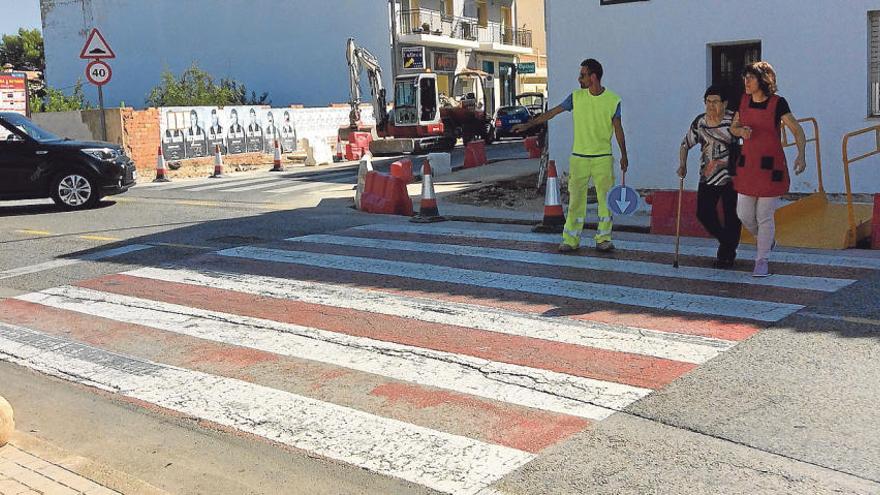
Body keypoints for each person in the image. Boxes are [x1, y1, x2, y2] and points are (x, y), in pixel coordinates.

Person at [514, 58, 629, 253]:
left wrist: (624, 155)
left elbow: (618, 129)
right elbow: (553, 113)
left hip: (602, 157)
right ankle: (571, 239)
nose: (579, 78)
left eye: (582, 75)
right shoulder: (576, 97)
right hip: (579, 157)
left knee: (605, 200)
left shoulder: (613, 100)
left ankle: (603, 238)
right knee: (576, 200)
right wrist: (528, 125)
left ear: (593, 77)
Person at [730, 61, 807, 277]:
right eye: (745, 78)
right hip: (748, 165)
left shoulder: (778, 103)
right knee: (744, 214)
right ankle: (767, 240)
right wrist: (740, 131)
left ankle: (761, 260)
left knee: (764, 215)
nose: (746, 82)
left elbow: (797, 131)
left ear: (763, 80)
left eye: (750, 78)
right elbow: (733, 127)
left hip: (770, 166)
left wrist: (801, 154)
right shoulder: (743, 101)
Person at [678, 85, 741, 268]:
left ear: (725, 103)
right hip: (708, 176)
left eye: (715, 102)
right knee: (704, 213)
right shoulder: (700, 122)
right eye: (708, 102)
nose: (711, 106)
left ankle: (726, 254)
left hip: (732, 176)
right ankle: (726, 242)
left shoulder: (734, 119)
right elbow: (685, 144)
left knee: (732, 216)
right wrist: (682, 164)